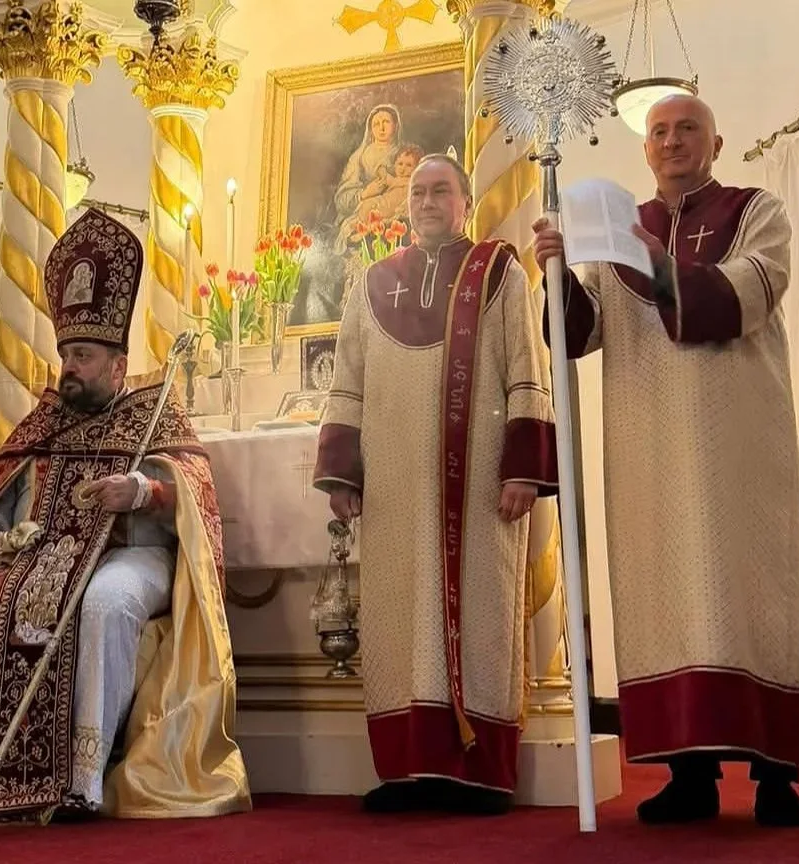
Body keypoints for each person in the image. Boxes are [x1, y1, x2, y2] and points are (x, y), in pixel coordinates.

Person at [0, 209, 249, 823]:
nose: (69, 365)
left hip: (134, 554)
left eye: (84, 354)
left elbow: (198, 496)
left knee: (104, 604)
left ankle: (82, 775)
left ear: (117, 364)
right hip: (38, 556)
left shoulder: (153, 413)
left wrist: (142, 492)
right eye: (66, 352)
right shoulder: (44, 422)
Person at [532, 93, 799, 828]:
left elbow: (748, 292)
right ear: (645, 150)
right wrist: (557, 274)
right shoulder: (619, 227)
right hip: (647, 445)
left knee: (753, 594)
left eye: (688, 128)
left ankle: (775, 775)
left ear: (716, 142)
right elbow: (578, 334)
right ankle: (690, 776)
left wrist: (656, 265)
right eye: (659, 132)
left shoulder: (757, 209)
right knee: (665, 594)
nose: (672, 140)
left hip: (742, 447)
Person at [314, 153, 559, 815]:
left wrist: (524, 468)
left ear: (465, 201)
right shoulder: (370, 283)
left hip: (479, 488)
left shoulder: (500, 272)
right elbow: (348, 383)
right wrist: (341, 473)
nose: (426, 200)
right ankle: (408, 770)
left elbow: (527, 370)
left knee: (482, 614)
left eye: (440, 190)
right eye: (418, 191)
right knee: (399, 622)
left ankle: (478, 774)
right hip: (392, 489)